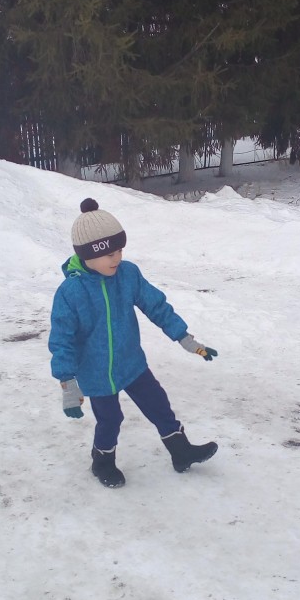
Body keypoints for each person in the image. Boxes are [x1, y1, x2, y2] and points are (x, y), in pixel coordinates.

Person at [49, 198, 218, 488]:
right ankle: (102, 462)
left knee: (158, 404)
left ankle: (181, 452)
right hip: (97, 374)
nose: (116, 258)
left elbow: (156, 306)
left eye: (119, 250)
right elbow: (62, 340)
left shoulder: (127, 275)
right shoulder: (71, 292)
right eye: (109, 253)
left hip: (131, 363)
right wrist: (68, 382)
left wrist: (185, 338)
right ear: (87, 254)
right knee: (111, 419)